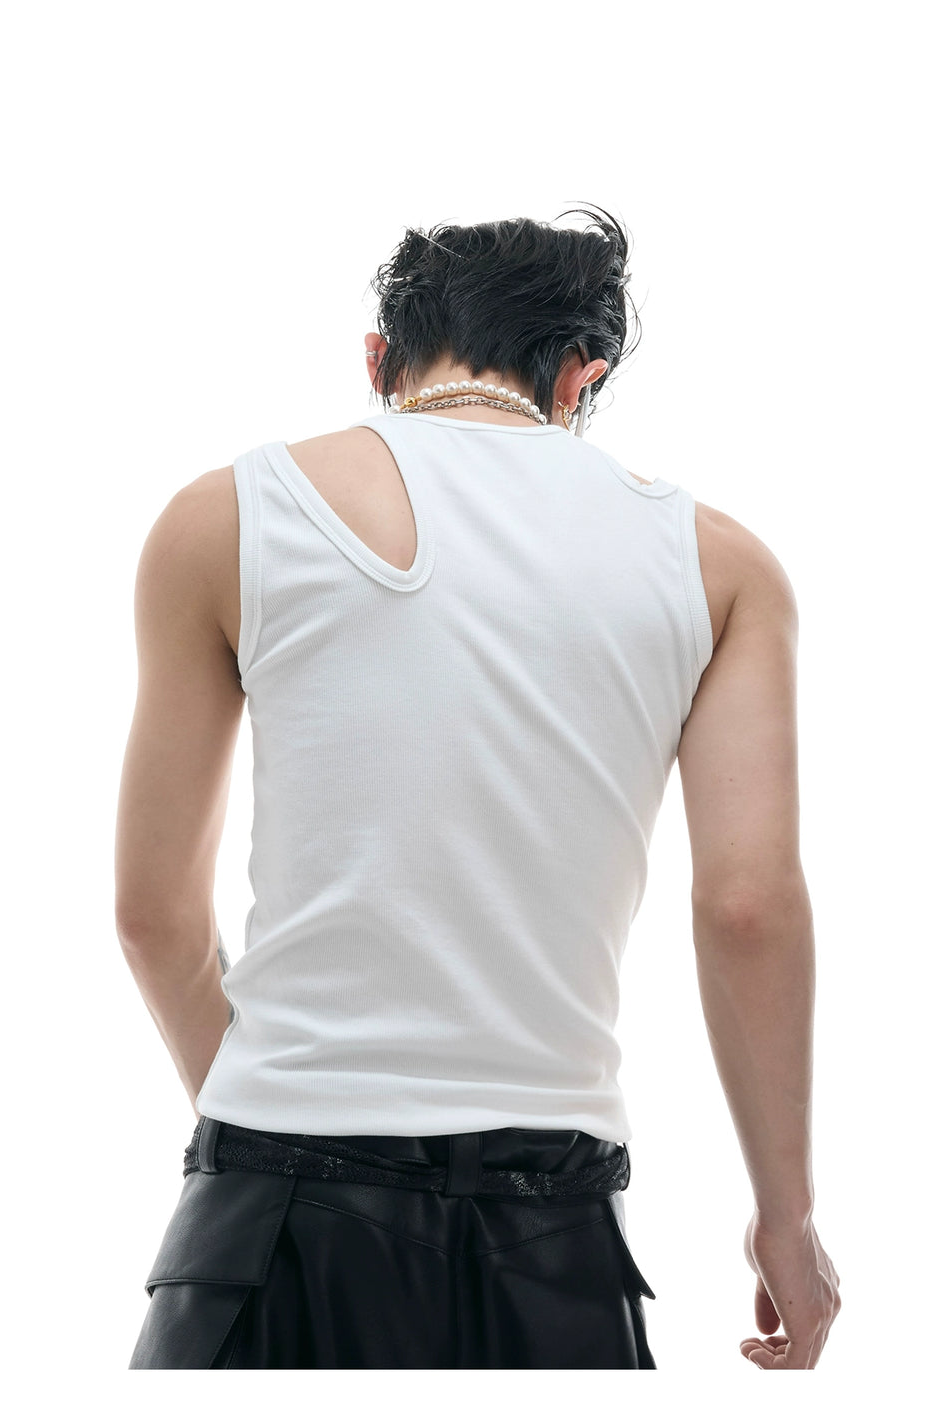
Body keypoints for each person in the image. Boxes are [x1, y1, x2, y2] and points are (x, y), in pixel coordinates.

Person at [116, 204, 841, 1370]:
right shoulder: (720, 567)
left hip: (269, 1215)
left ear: (379, 361)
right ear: (579, 377)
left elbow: (154, 916)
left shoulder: (227, 517)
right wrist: (786, 1221)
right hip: (553, 1236)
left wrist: (281, 1128)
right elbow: (747, 908)